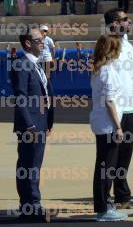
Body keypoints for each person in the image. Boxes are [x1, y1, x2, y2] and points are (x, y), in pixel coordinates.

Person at [11, 26, 56, 222]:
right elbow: (20, 98)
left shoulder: (35, 64)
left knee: (33, 167)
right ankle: (32, 208)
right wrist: (29, 126)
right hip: (31, 125)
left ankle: (30, 206)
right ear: (28, 43)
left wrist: (47, 121)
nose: (43, 42)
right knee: (29, 167)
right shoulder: (22, 64)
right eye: (39, 40)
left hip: (40, 122)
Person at [103, 8, 133, 209]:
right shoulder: (107, 44)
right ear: (114, 23)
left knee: (125, 154)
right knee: (111, 155)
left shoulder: (128, 45)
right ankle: (105, 195)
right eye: (124, 19)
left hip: (129, 108)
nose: (129, 22)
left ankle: (122, 195)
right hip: (115, 109)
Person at [90, 35, 128, 222]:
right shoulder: (107, 71)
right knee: (107, 167)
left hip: (100, 122)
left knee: (103, 166)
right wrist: (118, 127)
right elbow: (110, 101)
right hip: (107, 124)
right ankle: (104, 208)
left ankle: (103, 205)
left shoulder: (99, 69)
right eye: (117, 49)